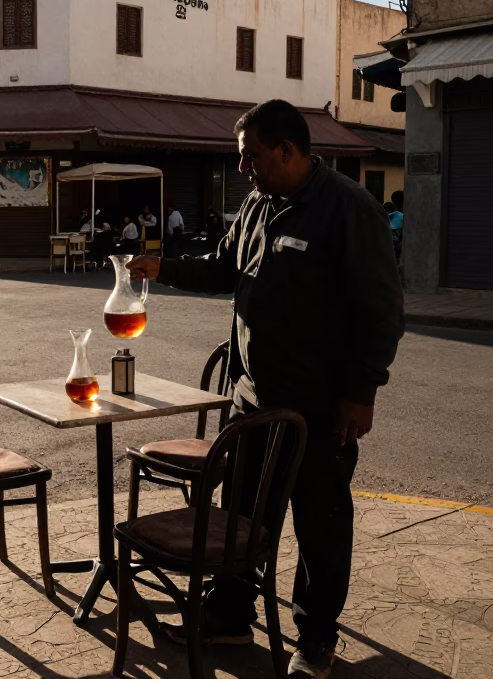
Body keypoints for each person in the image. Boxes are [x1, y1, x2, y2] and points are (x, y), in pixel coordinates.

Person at [128, 99, 404, 678]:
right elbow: (223, 269)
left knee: (319, 523)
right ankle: (230, 616)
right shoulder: (257, 205)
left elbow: (380, 311)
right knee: (244, 516)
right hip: (251, 401)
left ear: (287, 149)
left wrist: (362, 391)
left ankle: (316, 639)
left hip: (319, 409)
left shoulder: (348, 210)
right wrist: (163, 266)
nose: (243, 170)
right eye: (240, 160)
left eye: (251, 158)